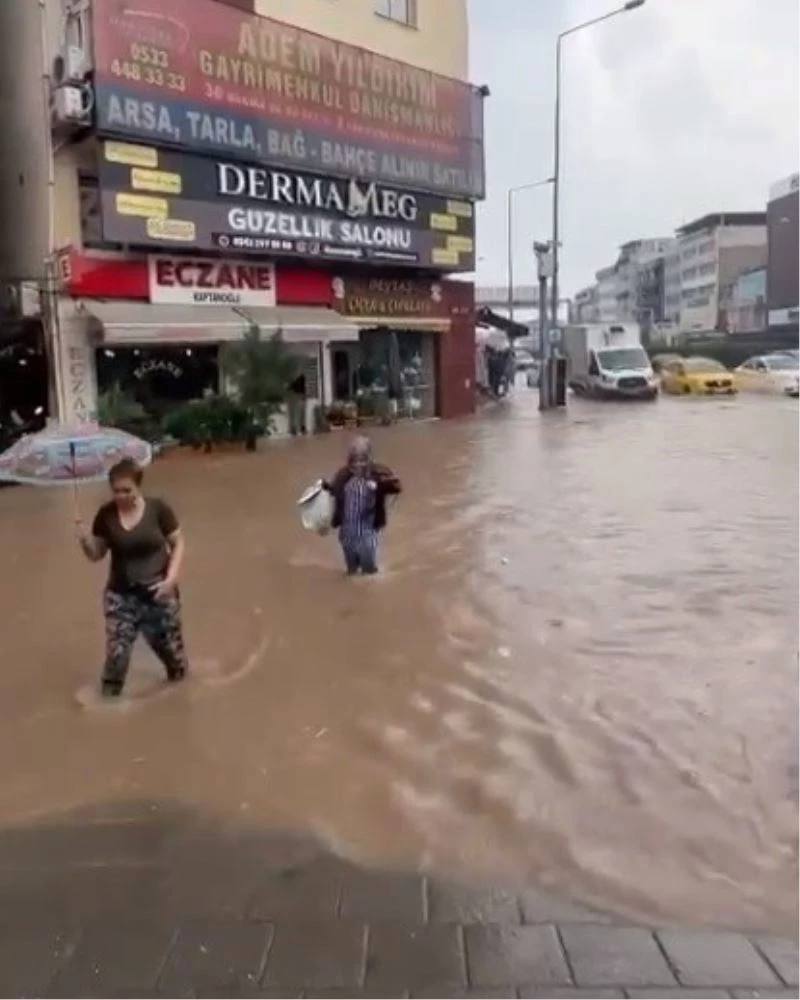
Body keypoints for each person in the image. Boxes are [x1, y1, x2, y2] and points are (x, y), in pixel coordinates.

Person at [75, 458, 188, 697]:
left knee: (173, 658)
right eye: (116, 491)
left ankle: (181, 695)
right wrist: (84, 540)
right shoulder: (105, 516)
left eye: (127, 490)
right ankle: (108, 703)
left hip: (158, 592)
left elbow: (178, 543)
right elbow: (96, 555)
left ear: (138, 487)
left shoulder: (158, 510)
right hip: (121, 595)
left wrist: (172, 578)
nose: (121, 496)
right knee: (117, 653)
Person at [323, 436, 401, 575]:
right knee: (351, 572)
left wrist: (379, 485)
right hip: (347, 533)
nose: (359, 464)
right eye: (356, 461)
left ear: (369, 458)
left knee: (369, 571)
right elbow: (334, 490)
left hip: (368, 532)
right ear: (350, 461)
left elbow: (396, 487)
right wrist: (325, 486)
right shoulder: (343, 475)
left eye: (363, 460)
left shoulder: (378, 473)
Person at [287, 371, 307, 436]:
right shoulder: (297, 377)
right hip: (295, 395)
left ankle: (299, 428)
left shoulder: (301, 377)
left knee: (300, 412)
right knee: (296, 412)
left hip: (298, 394)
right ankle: (295, 428)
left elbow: (302, 387)